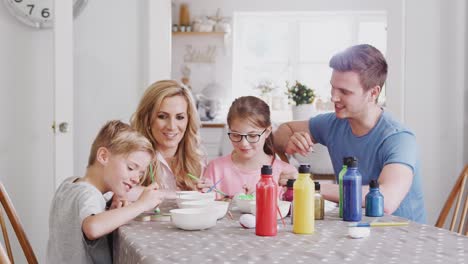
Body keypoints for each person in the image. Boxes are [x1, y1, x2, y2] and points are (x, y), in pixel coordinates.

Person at [274, 44, 426, 223]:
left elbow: (386, 200)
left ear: (373, 93)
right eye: (333, 87)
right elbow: (283, 131)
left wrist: (309, 185)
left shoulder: (399, 139)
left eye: (345, 92)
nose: (333, 97)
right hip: (355, 227)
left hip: (400, 236)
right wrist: (291, 141)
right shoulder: (334, 123)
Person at [47, 120, 163, 263]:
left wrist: (111, 210)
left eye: (140, 173)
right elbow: (92, 228)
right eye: (131, 168)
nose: (136, 179)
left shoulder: (68, 184)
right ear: (103, 156)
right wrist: (141, 205)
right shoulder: (88, 194)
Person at [204, 96, 297, 198]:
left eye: (252, 136)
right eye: (236, 135)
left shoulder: (286, 173)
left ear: (267, 132)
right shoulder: (215, 168)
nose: (244, 143)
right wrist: (201, 196)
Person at [130, 80, 210, 196]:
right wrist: (178, 195)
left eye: (180, 117)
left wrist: (204, 192)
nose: (171, 127)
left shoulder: (197, 159)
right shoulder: (132, 156)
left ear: (188, 120)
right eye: (162, 116)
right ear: (147, 118)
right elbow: (121, 193)